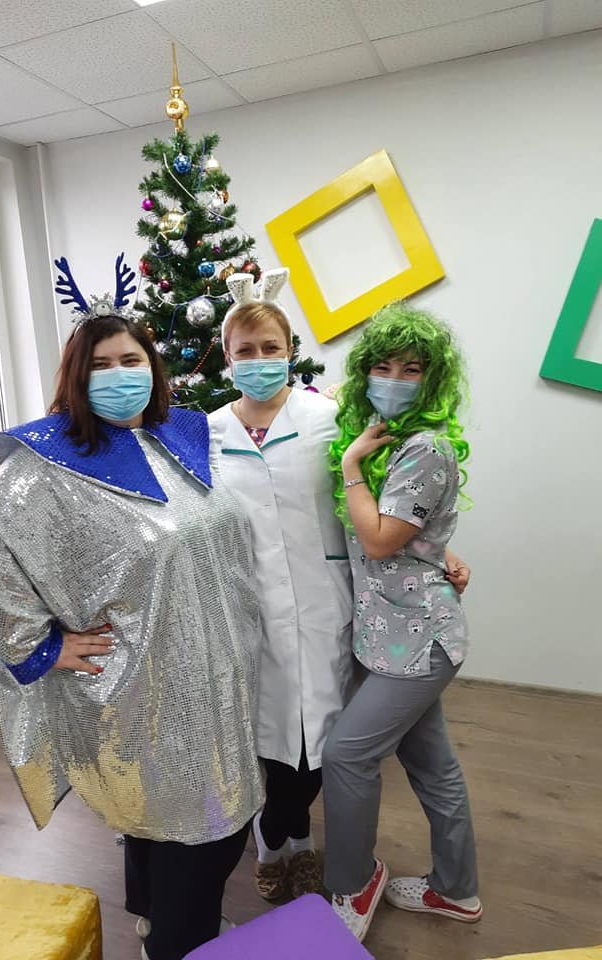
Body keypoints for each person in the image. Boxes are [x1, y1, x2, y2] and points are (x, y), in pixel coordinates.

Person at [0, 254, 263, 960]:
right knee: (198, 830)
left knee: (167, 817)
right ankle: (179, 942)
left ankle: (159, 925)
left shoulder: (179, 439)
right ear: (76, 377)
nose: (120, 374)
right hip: (144, 685)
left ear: (153, 367)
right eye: (101, 364)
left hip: (219, 672)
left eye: (131, 360)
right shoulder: (51, 462)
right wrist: (42, 645)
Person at [209, 272, 470, 903]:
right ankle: (276, 844)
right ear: (227, 358)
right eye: (245, 351)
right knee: (271, 740)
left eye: (271, 348)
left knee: (325, 742)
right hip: (253, 610)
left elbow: (383, 498)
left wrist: (440, 550)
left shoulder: (330, 418)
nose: (259, 361)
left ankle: (301, 840)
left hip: (333, 605)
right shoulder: (207, 433)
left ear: (290, 350)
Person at [322, 303, 481, 942]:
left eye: (410, 369)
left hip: (419, 642)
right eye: (382, 367)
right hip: (393, 636)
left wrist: (350, 469)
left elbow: (381, 538)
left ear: (431, 378)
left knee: (347, 754)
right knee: (432, 766)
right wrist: (443, 551)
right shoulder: (381, 435)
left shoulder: (425, 447)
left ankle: (354, 881)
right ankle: (457, 891)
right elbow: (412, 531)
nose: (393, 379)